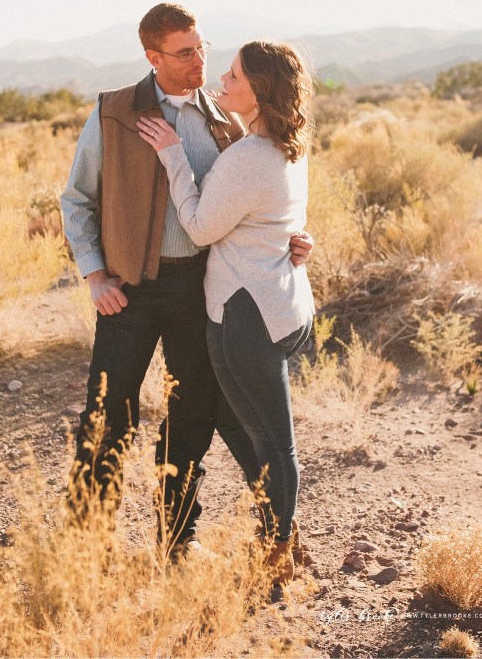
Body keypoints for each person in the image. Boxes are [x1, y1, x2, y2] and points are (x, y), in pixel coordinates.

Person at [60, 3, 312, 554]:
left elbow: (254, 197)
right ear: (153, 57)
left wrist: (287, 239)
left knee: (190, 418)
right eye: (184, 52)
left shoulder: (226, 120)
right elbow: (77, 201)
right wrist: (95, 275)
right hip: (127, 292)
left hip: (201, 291)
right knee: (107, 418)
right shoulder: (113, 113)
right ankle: (85, 546)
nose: (200, 61)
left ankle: (175, 538)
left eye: (204, 48)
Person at [137, 39, 315, 585]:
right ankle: (277, 524)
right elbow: (281, 222)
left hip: (246, 315)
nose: (223, 83)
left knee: (272, 442)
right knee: (233, 421)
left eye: (235, 77)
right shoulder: (289, 147)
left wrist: (172, 155)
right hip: (280, 304)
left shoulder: (245, 158)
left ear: (260, 90)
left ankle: (278, 552)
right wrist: (298, 240)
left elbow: (197, 227)